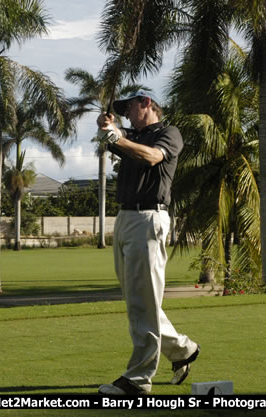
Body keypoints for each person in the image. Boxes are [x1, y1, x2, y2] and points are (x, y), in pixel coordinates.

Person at [96, 90, 199, 395]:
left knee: (143, 302)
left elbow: (152, 156)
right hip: (126, 219)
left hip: (149, 219)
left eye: (128, 108)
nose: (126, 114)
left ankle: (139, 379)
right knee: (139, 301)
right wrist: (107, 128)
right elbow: (117, 138)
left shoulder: (169, 133)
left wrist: (117, 137)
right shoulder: (133, 134)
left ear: (146, 103)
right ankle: (182, 350)